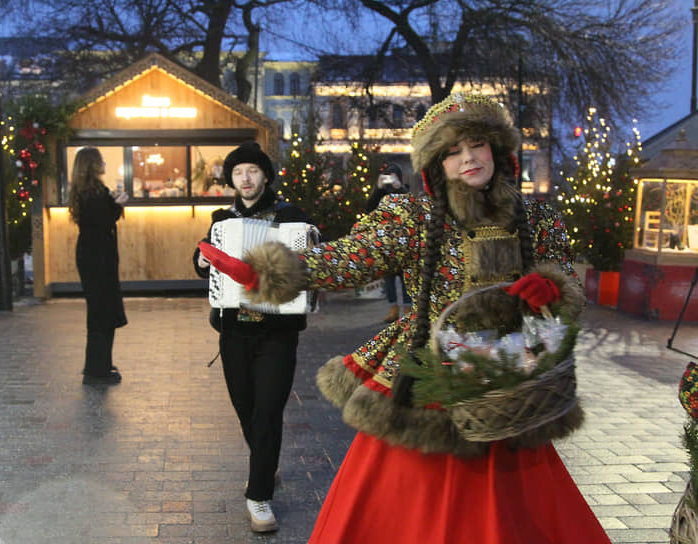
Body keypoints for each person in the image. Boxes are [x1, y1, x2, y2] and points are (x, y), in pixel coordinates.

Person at [199, 93, 611, 543]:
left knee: (513, 511)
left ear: (497, 147)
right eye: (452, 151)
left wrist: (553, 284)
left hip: (506, 382)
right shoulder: (412, 218)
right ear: (436, 164)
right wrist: (272, 271)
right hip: (428, 379)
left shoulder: (536, 219)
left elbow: (567, 277)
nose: (468, 158)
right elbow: (351, 257)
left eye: (476, 144)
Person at [192, 141, 311, 533]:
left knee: (268, 410)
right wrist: (201, 259)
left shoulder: (290, 216)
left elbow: (310, 259)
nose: (246, 178)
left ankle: (258, 496)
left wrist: (311, 243)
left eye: (253, 171)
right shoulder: (221, 219)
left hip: (277, 332)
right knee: (246, 407)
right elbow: (203, 264)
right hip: (234, 331)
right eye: (239, 172)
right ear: (231, 179)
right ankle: (266, 460)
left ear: (265, 176)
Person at [68, 147, 129, 386]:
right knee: (101, 311)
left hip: (93, 255)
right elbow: (103, 220)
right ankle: (96, 370)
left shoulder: (85, 190)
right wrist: (118, 205)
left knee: (100, 310)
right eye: (101, 160)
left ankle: (100, 364)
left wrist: (114, 205)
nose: (104, 162)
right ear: (93, 164)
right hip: (97, 258)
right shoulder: (93, 192)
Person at [366, 163, 413, 322]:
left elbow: (410, 206)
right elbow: (369, 208)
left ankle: (408, 308)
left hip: (404, 242)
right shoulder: (381, 194)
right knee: (389, 279)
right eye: (387, 175)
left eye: (393, 176)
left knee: (406, 278)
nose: (390, 179)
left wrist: (398, 187)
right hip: (386, 243)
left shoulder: (404, 190)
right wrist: (378, 188)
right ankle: (393, 308)